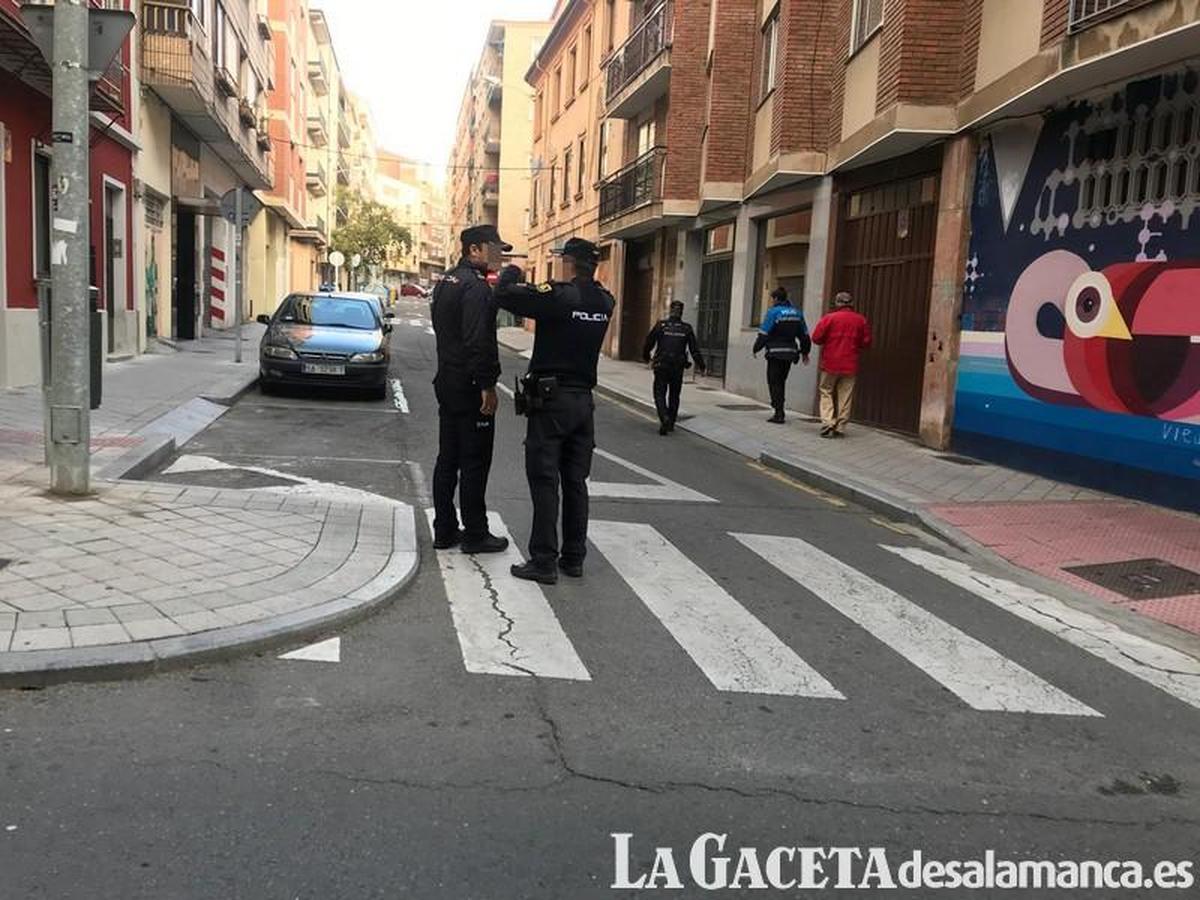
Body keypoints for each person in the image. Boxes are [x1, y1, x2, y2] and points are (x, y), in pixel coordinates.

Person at [495, 238, 615, 585]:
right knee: (576, 481)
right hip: (583, 403)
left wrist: (513, 269)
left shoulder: (560, 296)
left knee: (545, 480)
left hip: (552, 402)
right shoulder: (606, 300)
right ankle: (573, 557)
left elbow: (506, 295)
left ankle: (543, 560)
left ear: (568, 263)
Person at [429, 224, 510, 554]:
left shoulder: (446, 281)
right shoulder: (476, 288)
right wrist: (487, 385)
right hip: (469, 386)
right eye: (494, 250)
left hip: (447, 381)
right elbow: (478, 340)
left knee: (447, 459)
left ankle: (445, 530)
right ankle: (475, 533)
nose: (499, 258)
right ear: (475, 249)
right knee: (475, 461)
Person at [811, 291, 873, 438]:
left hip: (830, 363)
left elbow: (816, 338)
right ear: (851, 303)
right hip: (850, 363)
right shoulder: (860, 320)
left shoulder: (829, 318)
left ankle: (828, 423)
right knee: (845, 395)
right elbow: (867, 341)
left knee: (826, 391)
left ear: (837, 303)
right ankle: (841, 426)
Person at [642, 300, 705, 436]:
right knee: (674, 395)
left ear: (670, 310)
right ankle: (670, 423)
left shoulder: (661, 325)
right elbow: (694, 350)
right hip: (677, 366)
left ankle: (664, 416)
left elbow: (648, 342)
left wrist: (646, 357)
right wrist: (702, 366)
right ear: (681, 312)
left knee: (659, 393)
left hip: (662, 364)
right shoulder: (686, 328)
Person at [752, 287, 811, 424]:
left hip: (775, 352)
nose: (772, 301)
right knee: (781, 381)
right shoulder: (797, 313)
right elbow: (805, 336)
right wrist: (805, 352)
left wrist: (756, 348)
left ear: (776, 299)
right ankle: (779, 408)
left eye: (772, 299)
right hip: (790, 354)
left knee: (774, 381)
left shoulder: (773, 313)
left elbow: (764, 334)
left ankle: (778, 412)